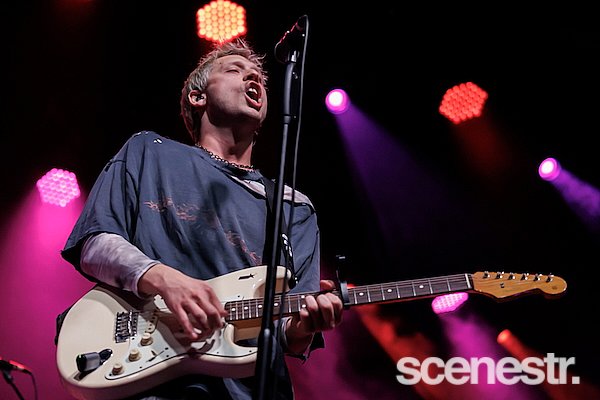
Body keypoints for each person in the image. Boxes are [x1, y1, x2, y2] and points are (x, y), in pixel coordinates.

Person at [60, 38, 344, 399]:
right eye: (235, 70)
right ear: (198, 97)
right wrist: (164, 279)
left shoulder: (294, 207)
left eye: (258, 77)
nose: (253, 78)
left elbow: (289, 333)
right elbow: (95, 243)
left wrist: (307, 323)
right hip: (151, 380)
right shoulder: (149, 151)